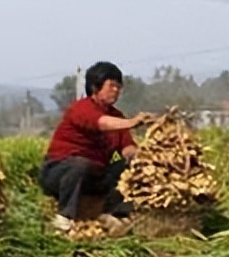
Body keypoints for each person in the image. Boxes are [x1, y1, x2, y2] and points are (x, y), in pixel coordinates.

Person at [39, 61, 153, 232]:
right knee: (80, 164)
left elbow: (127, 147)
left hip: (94, 176)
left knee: (128, 168)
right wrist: (132, 122)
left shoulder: (117, 117)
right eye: (111, 86)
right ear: (95, 86)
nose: (116, 90)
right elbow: (101, 123)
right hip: (59, 172)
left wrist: (144, 158)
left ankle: (114, 213)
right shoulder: (81, 108)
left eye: (119, 87)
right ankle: (65, 216)